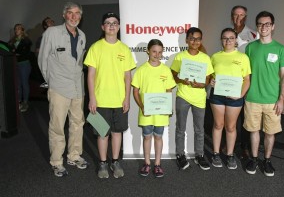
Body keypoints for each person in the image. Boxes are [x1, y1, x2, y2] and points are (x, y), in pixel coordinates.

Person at [38, 2, 88, 177]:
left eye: (77, 14)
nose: (74, 17)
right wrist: (51, 81)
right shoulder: (51, 33)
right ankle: (57, 161)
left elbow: (79, 62)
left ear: (80, 17)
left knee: (78, 124)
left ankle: (74, 155)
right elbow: (42, 60)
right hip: (58, 87)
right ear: (64, 15)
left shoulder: (82, 35)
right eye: (70, 13)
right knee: (57, 126)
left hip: (77, 88)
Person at [84, 12, 136, 179]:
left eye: (114, 23)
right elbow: (90, 75)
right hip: (100, 100)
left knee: (116, 132)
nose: (112, 25)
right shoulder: (95, 47)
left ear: (119, 27)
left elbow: (128, 76)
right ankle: (103, 163)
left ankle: (115, 161)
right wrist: (92, 98)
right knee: (102, 133)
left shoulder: (124, 49)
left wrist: (127, 98)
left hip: (119, 100)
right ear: (103, 27)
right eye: (108, 23)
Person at [244, 11, 284, 177]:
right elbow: (246, 74)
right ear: (257, 26)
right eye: (260, 24)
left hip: (272, 100)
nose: (263, 27)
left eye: (267, 24)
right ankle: (255, 159)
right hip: (252, 99)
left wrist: (281, 99)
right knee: (254, 131)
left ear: (273, 26)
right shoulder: (250, 47)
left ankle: (267, 160)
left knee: (270, 132)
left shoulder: (281, 50)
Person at [171, 27, 214, 170]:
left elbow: (208, 79)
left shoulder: (205, 58)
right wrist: (182, 81)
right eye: (192, 38)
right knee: (180, 128)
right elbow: (174, 75)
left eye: (198, 38)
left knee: (199, 129)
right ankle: (180, 155)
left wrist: (202, 84)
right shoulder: (180, 56)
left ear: (201, 40)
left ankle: (199, 155)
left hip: (199, 98)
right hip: (183, 96)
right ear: (187, 40)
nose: (195, 41)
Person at [132, 39, 176, 178]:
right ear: (148, 51)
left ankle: (157, 164)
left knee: (158, 137)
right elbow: (135, 91)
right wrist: (142, 107)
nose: (157, 55)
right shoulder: (141, 70)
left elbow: (169, 90)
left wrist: (168, 106)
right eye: (154, 51)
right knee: (147, 138)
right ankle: (146, 163)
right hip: (146, 112)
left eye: (159, 52)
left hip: (161, 113)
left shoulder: (165, 70)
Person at [209, 28, 251, 169]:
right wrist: (211, 81)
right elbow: (210, 76)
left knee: (231, 127)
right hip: (218, 96)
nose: (228, 41)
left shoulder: (243, 58)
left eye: (231, 38)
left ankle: (230, 154)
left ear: (235, 40)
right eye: (225, 38)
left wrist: (239, 95)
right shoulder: (215, 57)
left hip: (235, 97)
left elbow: (247, 80)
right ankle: (215, 153)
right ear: (221, 40)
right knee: (218, 125)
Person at [231, 5, 258, 159]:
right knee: (231, 116)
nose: (238, 18)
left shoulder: (253, 35)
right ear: (231, 16)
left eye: (241, 15)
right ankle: (229, 144)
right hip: (231, 81)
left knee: (246, 117)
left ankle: (244, 146)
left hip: (247, 81)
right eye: (235, 15)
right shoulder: (227, 34)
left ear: (245, 17)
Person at [8, 24, 32, 112]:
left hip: (24, 64)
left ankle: (25, 103)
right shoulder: (12, 41)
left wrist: (15, 52)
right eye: (15, 29)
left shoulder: (26, 40)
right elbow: (9, 50)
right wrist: (15, 52)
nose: (16, 30)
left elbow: (24, 52)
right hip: (16, 64)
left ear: (22, 30)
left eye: (19, 28)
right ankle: (18, 101)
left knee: (24, 83)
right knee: (18, 84)